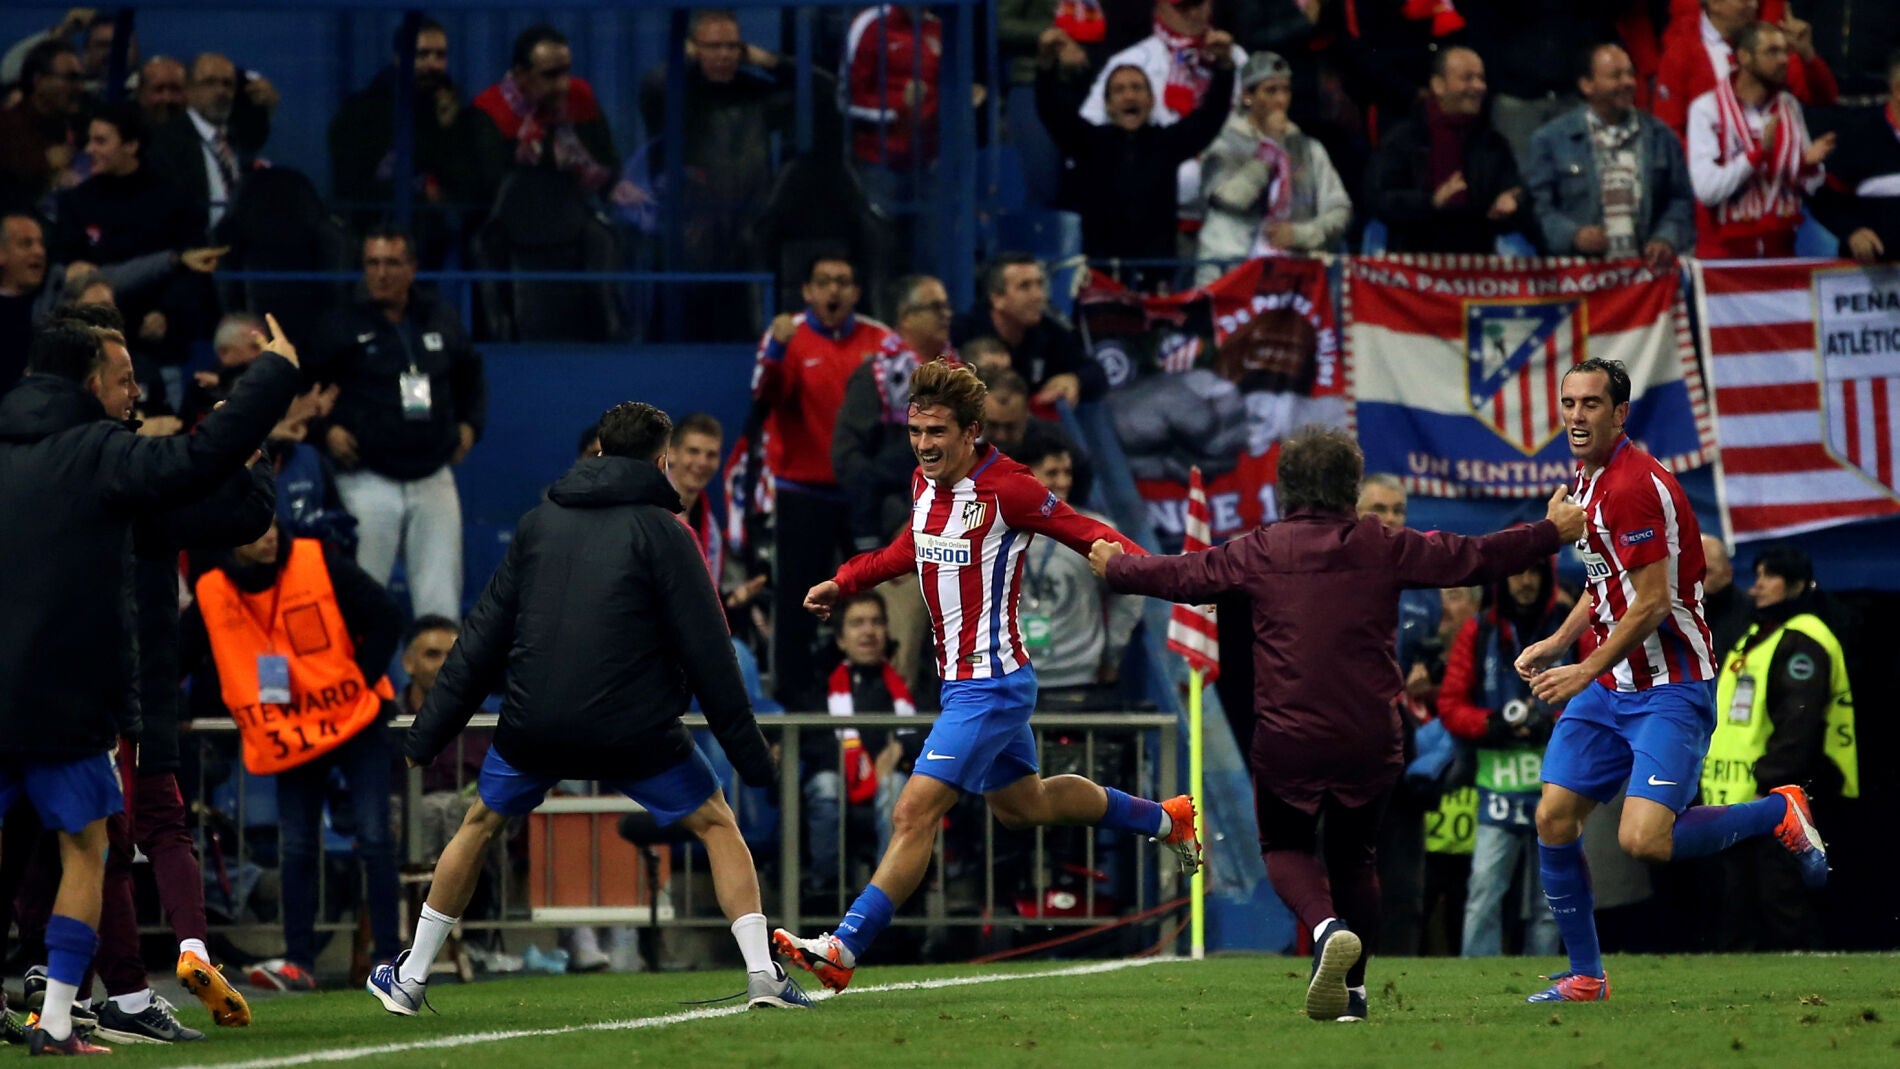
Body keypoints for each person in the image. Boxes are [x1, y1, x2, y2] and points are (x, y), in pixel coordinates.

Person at [1093, 424, 1586, 1023]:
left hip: (1289, 737)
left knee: (1284, 844)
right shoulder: (1383, 544)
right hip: (1371, 736)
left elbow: (1179, 574)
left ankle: (1327, 931)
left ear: (1286, 489)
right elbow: (1475, 557)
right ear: (1350, 490)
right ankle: (1352, 994)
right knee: (1357, 857)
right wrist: (1549, 532)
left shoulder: (1260, 549)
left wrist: (1118, 569)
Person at [774, 359, 1201, 993]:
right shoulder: (925, 485)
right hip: (961, 683)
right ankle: (1168, 818)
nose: (923, 445)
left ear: (971, 430)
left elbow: (1090, 534)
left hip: (992, 683)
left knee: (913, 811)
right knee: (1025, 807)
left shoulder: (1010, 489)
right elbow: (905, 551)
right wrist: (846, 582)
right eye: (916, 432)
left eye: (937, 432)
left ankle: (844, 947)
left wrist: (1184, 584)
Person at [370, 401, 807, 1014]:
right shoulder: (669, 533)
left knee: (479, 825)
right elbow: (712, 654)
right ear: (661, 461)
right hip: (637, 730)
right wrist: (754, 761)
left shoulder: (536, 524)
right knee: (716, 823)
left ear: (599, 451)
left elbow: (480, 639)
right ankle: (763, 974)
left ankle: (411, 978)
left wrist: (425, 736)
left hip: (535, 724)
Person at [0, 315, 301, 1055]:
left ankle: (68, 1000)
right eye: (123, 375)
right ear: (90, 381)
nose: (133, 390)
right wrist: (271, 378)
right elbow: (207, 468)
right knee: (88, 849)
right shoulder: (103, 455)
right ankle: (69, 1015)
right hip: (70, 698)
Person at [1510, 357, 1828, 1003]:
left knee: (1643, 840)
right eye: (1569, 402)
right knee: (1553, 815)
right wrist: (1559, 639)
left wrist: (1582, 668)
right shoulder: (1587, 478)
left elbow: (1651, 602)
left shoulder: (1632, 484)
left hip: (1669, 685)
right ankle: (1586, 975)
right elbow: (1606, 583)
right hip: (1610, 681)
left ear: (1620, 412)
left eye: (1591, 403)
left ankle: (1778, 809)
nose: (1576, 415)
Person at [180, 517, 406, 991]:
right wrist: (167, 709)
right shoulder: (212, 590)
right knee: (297, 846)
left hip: (356, 721)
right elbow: (175, 657)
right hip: (292, 735)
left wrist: (359, 682)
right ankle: (298, 962)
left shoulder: (316, 558)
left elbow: (387, 615)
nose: (267, 535)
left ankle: (392, 960)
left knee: (375, 837)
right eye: (253, 529)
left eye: (271, 525)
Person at [311, 226, 485, 620]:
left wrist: (471, 425)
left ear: (412, 268)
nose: (381, 273)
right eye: (372, 263)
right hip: (366, 477)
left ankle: (438, 679)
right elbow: (305, 389)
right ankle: (358, 678)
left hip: (432, 473)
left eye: (391, 263)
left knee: (441, 594)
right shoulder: (339, 323)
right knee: (363, 595)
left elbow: (471, 373)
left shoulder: (439, 317)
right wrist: (326, 432)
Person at [1703, 545, 1856, 951]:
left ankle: (1805, 978)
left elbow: (1798, 724)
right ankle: (1744, 982)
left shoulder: (1804, 641)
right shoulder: (1760, 634)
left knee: (1780, 895)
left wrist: (1770, 781)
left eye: (1770, 576)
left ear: (1797, 584)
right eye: (1757, 576)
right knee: (1740, 897)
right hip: (1737, 795)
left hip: (1778, 794)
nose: (1758, 587)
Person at [752, 251, 892, 691]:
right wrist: (775, 349)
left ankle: (877, 697)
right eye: (825, 281)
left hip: (861, 495)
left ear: (856, 291)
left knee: (873, 600)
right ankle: (793, 705)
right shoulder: (786, 337)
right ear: (809, 291)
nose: (834, 290)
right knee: (797, 603)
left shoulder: (881, 340)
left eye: (844, 281)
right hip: (803, 491)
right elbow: (764, 397)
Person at [1436, 557, 1567, 958]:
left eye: (1533, 572)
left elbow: (1598, 689)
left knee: (1550, 901)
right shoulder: (1480, 629)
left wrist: (1554, 721)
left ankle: (1547, 982)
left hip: (1556, 787)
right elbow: (1450, 703)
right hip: (1499, 788)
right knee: (1483, 892)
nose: (1525, 580)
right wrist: (1490, 724)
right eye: (1517, 571)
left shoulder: (1568, 627)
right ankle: (1476, 986)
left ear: (1547, 577)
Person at [1036, 27, 1234, 288]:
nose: (1129, 95)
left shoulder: (1167, 143)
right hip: (1104, 278)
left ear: (1152, 100)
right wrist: (1045, 66)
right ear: (1107, 105)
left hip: (1157, 279)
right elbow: (1052, 112)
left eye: (1137, 88)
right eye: (1119, 90)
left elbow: (1211, 117)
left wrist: (1224, 67)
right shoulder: (1090, 143)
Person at [1525, 43, 1695, 269]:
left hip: (1646, 281)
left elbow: (1680, 200)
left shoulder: (1661, 136)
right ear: (1587, 85)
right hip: (1577, 278)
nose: (1627, 82)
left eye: (1629, 74)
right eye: (1615, 76)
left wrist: (1665, 237)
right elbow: (1536, 207)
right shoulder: (1550, 139)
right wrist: (1573, 235)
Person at [328, 17, 489, 247]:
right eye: (422, 55)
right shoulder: (360, 113)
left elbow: (472, 188)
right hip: (375, 235)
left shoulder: (460, 115)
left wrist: (448, 129)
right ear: (398, 58)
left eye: (440, 55)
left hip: (443, 241)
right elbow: (349, 187)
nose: (433, 64)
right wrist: (420, 197)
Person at [801, 590, 921, 898]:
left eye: (876, 622)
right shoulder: (822, 687)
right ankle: (825, 892)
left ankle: (886, 898)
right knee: (826, 785)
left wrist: (900, 749)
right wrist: (856, 764)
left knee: (896, 786)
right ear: (841, 639)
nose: (868, 630)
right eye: (857, 623)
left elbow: (932, 730)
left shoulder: (908, 686)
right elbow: (812, 742)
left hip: (890, 784)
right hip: (840, 779)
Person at [1195, 50, 1352, 284]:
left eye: (1285, 90)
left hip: (1295, 275)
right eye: (1270, 91)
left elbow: (1339, 209)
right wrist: (1270, 148)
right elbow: (1230, 199)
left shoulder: (1308, 148)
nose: (1281, 100)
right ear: (1247, 95)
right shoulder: (1223, 144)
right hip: (1230, 274)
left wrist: (1300, 235)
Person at [1364, 46, 1535, 255]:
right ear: (1438, 85)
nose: (1479, 86)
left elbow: (1515, 192)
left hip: (1475, 268)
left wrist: (1514, 202)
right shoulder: (1403, 139)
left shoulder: (1493, 144)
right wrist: (1431, 201)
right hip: (1412, 268)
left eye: (1482, 78)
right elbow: (1378, 199)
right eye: (1467, 78)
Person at [1685, 21, 1831, 260]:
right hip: (1725, 260)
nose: (1784, 59)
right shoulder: (1707, 109)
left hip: (1781, 253)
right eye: (1772, 52)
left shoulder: (1789, 107)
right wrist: (1756, 155)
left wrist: (1809, 166)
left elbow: (1812, 186)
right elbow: (1707, 190)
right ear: (1744, 57)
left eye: (1785, 51)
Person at [1017, 431, 1140, 699]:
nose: (1062, 482)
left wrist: (1111, 653)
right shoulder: (991, 533)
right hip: (1012, 682)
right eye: (1051, 473)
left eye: (1067, 472)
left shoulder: (1098, 533)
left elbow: (1130, 593)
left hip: (1080, 680)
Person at [1654, 0, 1836, 144]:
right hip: (1712, 181)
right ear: (1715, 3)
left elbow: (1824, 97)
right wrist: (1704, 170)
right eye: (1744, 0)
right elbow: (1670, 130)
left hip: (1770, 177)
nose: (1754, 5)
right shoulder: (1681, 53)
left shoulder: (1768, 47)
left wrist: (1807, 55)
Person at [472, 25, 622, 200]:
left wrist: (615, 185)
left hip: (576, 214)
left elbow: (608, 160)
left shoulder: (579, 96)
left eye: (566, 71)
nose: (563, 85)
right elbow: (490, 187)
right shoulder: (490, 111)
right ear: (521, 75)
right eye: (550, 75)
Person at [949, 253, 1105, 407]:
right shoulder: (962, 332)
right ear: (997, 299)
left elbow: (1096, 373)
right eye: (1025, 286)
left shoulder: (1049, 332)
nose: (1038, 295)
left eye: (1039, 285)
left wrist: (1074, 379)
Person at [1807, 49, 1900, 265]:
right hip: (1868, 281)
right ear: (1897, 90)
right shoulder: (1859, 136)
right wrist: (1852, 231)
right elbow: (1824, 196)